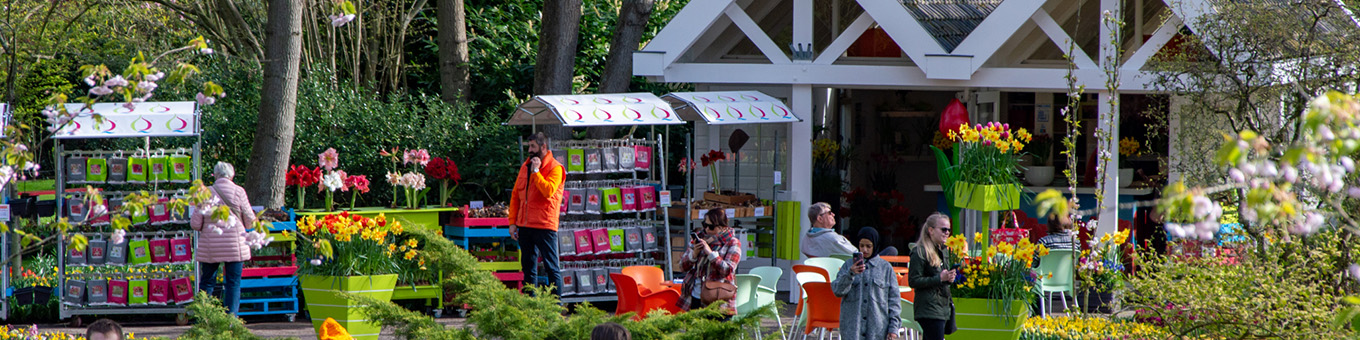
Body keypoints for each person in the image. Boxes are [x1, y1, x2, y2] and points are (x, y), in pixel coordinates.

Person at [192, 162, 254, 315]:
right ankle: (231, 319)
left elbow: (195, 224)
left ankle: (204, 317)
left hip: (211, 245)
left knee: (207, 282)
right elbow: (250, 221)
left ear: (215, 175)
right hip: (235, 244)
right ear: (232, 175)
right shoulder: (239, 191)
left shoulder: (205, 193)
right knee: (233, 283)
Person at [508, 132, 566, 296]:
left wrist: (536, 171)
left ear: (543, 147)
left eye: (533, 147)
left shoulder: (555, 168)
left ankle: (554, 306)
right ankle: (530, 304)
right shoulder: (524, 167)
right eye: (529, 147)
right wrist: (512, 223)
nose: (530, 151)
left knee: (551, 268)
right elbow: (515, 196)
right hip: (525, 225)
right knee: (528, 268)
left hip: (545, 225)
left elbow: (548, 191)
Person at [832, 227, 902, 340]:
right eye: (861, 245)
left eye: (869, 246)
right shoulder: (848, 265)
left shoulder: (885, 268)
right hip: (852, 329)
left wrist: (893, 328)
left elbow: (894, 300)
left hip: (877, 329)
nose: (864, 250)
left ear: (875, 245)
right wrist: (850, 274)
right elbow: (837, 291)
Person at [678, 208, 742, 312]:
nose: (707, 229)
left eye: (711, 227)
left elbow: (727, 270)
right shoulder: (699, 239)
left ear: (722, 227)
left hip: (719, 298)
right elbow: (682, 267)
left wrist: (710, 254)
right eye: (705, 225)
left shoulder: (732, 242)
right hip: (695, 296)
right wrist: (694, 254)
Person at [908, 213, 957, 340]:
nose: (947, 233)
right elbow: (913, 281)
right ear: (931, 230)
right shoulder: (919, 251)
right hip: (929, 308)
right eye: (943, 229)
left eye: (949, 230)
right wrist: (940, 278)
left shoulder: (943, 250)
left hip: (942, 306)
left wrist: (948, 278)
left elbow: (941, 278)